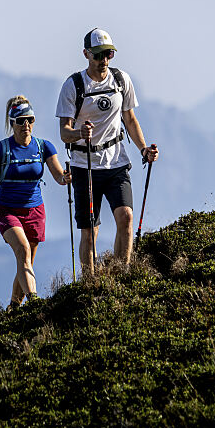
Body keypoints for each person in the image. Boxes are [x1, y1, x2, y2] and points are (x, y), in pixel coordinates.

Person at [56, 27, 159, 273]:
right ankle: (90, 283)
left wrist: (144, 149)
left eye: (109, 54)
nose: (104, 60)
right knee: (90, 232)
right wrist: (80, 133)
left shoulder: (121, 80)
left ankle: (120, 274)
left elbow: (130, 120)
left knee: (126, 217)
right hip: (85, 165)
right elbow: (64, 132)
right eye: (99, 55)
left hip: (116, 162)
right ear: (86, 54)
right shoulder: (74, 85)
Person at [0, 95, 71, 309]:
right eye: (20, 121)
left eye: (30, 119)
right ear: (12, 123)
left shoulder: (44, 147)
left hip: (35, 211)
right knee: (22, 250)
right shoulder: (0, 149)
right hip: (7, 211)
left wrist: (65, 178)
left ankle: (14, 307)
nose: (26, 125)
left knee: (27, 260)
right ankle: (35, 303)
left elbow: (58, 175)